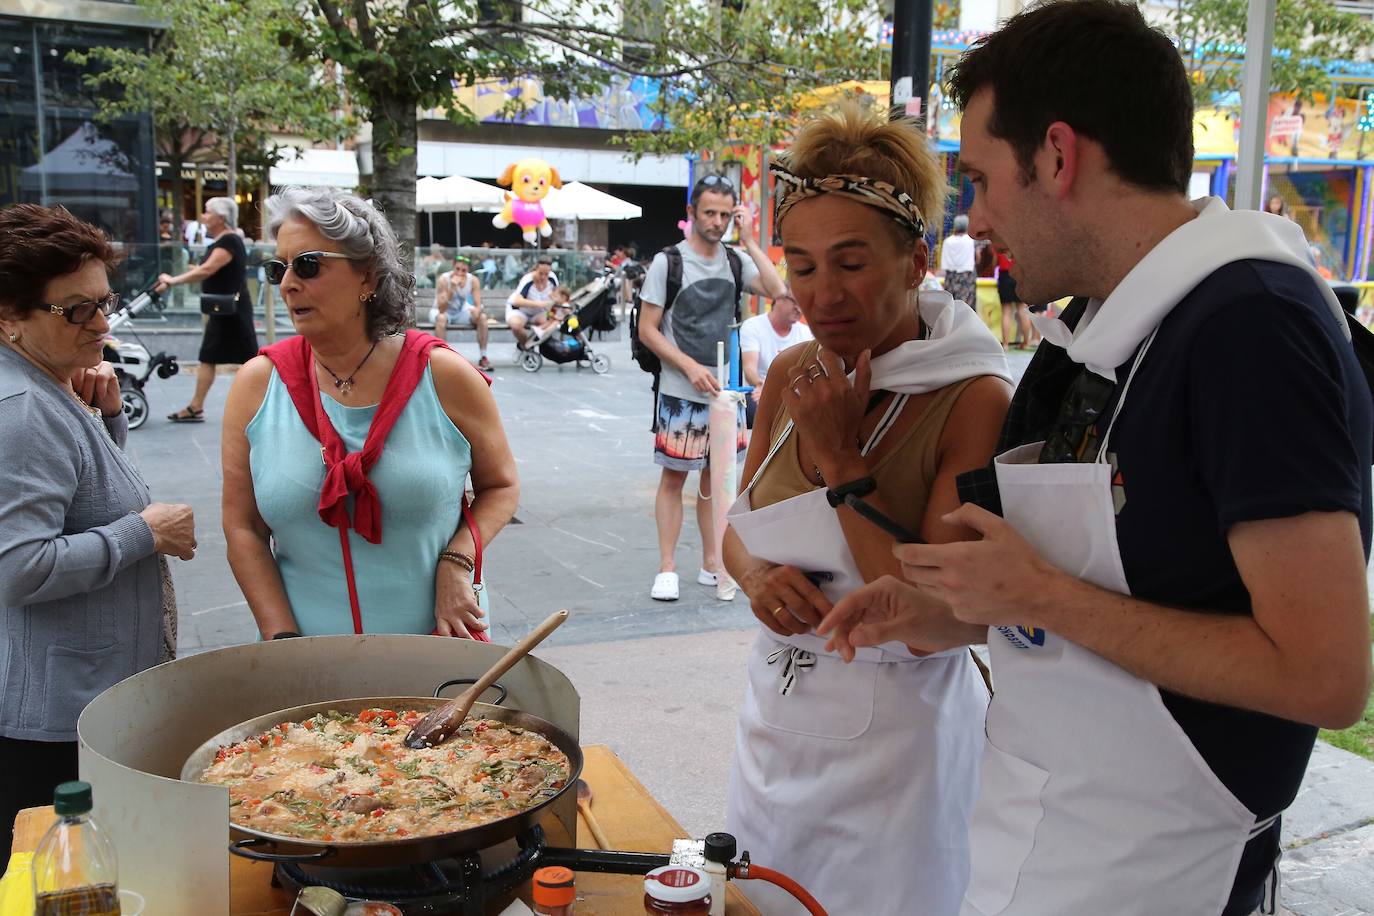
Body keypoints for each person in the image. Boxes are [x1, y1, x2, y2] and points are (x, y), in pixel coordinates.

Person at [818, 4, 1373, 914]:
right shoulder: (1114, 331)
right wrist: (959, 611)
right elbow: (1143, 593)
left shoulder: (1249, 329)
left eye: (985, 178)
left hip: (1156, 866)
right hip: (1052, 829)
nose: (980, 214)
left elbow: (1325, 675)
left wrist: (1035, 596)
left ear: (1060, 158)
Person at [718, 101, 1012, 916]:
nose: (822, 294)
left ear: (917, 260)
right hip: (777, 714)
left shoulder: (973, 395)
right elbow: (736, 530)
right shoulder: (793, 372)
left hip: (898, 749)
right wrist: (756, 582)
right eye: (802, 266)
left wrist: (845, 460)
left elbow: (932, 615)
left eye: (851, 263)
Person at [221, 187, 519, 639]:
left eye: (308, 265)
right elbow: (242, 527)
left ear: (369, 277)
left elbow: (502, 485)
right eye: (278, 269)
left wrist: (459, 560)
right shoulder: (256, 384)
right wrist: (282, 641)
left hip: (440, 653)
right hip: (311, 668)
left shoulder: (446, 375)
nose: (287, 284)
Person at [0, 204, 196, 869]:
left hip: (79, 705)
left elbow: (83, 500)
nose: (103, 325)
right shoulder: (24, 411)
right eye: (77, 311)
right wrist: (144, 534)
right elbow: (21, 568)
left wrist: (107, 423)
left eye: (104, 303)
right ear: (10, 318)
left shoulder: (45, 387)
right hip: (56, 727)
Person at [638, 174, 786, 601]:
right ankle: (667, 567)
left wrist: (750, 239)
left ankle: (711, 562)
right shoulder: (670, 261)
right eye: (710, 213)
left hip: (726, 393)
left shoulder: (737, 261)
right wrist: (688, 367)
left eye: (725, 214)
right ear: (691, 213)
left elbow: (779, 293)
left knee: (715, 479)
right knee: (673, 478)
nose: (717, 222)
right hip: (681, 390)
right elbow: (649, 329)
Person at [156, 197, 259, 423]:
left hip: (231, 311)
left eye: (208, 212)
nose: (203, 216)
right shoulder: (223, 240)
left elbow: (208, 269)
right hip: (223, 309)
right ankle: (196, 406)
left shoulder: (229, 240)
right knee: (213, 356)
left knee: (247, 358)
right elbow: (207, 268)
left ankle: (267, 402)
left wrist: (173, 281)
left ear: (220, 218)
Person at [738, 290, 812, 430]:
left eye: (804, 303)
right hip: (761, 391)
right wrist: (763, 387)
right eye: (795, 302)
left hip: (794, 394)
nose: (799, 309)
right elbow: (749, 369)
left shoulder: (806, 333)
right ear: (778, 298)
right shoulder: (753, 326)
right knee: (755, 406)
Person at [436, 256, 492, 371]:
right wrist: (452, 288)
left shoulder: (473, 280)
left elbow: (478, 304)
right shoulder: (444, 279)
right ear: (453, 267)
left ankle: (483, 356)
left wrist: (477, 311)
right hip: (444, 312)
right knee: (441, 318)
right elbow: (441, 308)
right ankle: (443, 357)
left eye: (464, 270)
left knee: (482, 318)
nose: (460, 273)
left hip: (461, 312)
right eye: (457, 269)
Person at [506, 256, 560, 347]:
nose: (543, 277)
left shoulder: (552, 278)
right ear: (535, 270)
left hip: (539, 313)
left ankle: (539, 343)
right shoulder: (528, 280)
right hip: (520, 311)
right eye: (540, 273)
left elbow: (558, 295)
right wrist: (541, 304)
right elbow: (517, 301)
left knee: (550, 321)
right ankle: (525, 346)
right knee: (516, 326)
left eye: (546, 274)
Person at [939, 214, 978, 309]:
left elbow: (944, 262)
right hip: (966, 277)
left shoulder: (947, 241)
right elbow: (978, 256)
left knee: (951, 306)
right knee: (966, 307)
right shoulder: (970, 240)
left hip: (950, 277)